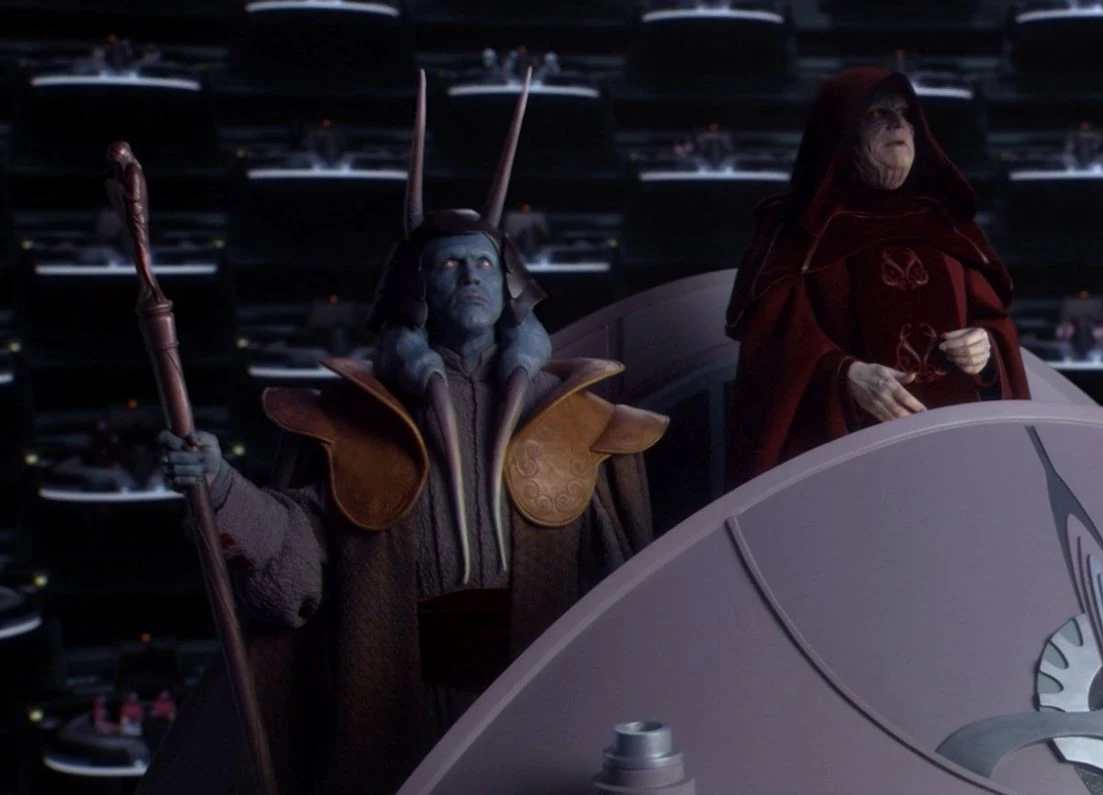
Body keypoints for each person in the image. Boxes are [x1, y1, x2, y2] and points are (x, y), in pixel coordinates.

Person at [138, 72, 669, 795]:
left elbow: (621, 586)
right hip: (400, 705)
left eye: (483, 263)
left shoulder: (574, 415)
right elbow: (298, 563)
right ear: (417, 289)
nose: (470, 277)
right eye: (449, 265)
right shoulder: (357, 419)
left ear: (510, 284)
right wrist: (223, 488)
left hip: (535, 707)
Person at [724, 65, 1030, 487]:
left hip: (960, 461)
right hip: (847, 469)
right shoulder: (799, 230)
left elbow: (994, 326)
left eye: (905, 114)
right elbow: (773, 347)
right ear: (841, 134)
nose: (897, 124)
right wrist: (845, 377)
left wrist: (987, 350)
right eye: (876, 114)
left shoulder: (946, 226)